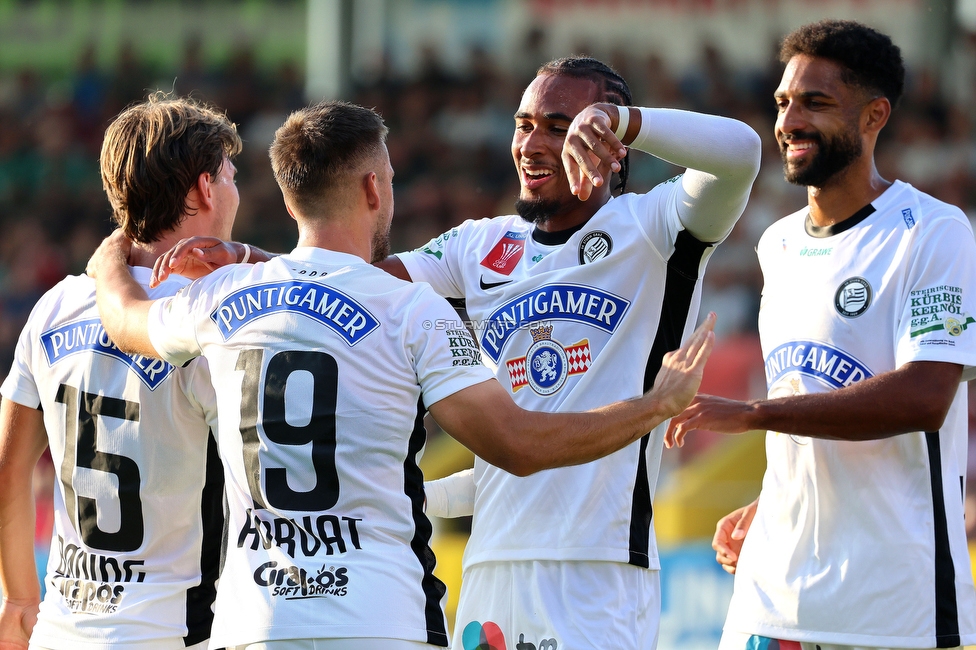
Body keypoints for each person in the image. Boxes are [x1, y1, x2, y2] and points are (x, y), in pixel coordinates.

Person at [149, 55, 762, 650]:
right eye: (525, 125)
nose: (533, 143)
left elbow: (741, 155)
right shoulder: (480, 244)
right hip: (490, 561)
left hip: (597, 567)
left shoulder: (654, 227)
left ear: (611, 144)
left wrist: (628, 120)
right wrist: (256, 261)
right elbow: (353, 279)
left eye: (562, 126)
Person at [666, 20, 976, 650]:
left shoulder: (933, 232)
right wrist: (779, 498)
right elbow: (807, 391)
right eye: (783, 102)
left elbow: (924, 397)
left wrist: (750, 414)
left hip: (891, 605)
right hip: (772, 592)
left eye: (816, 103)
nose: (790, 121)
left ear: (874, 117)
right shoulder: (777, 243)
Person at [0, 94, 240, 650]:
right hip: (177, 632)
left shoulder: (53, 308)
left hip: (62, 628)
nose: (235, 190)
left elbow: (9, 471)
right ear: (205, 188)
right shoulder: (217, 319)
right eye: (230, 175)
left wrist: (17, 601)